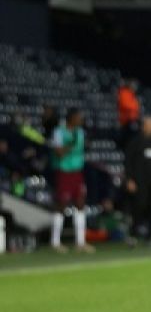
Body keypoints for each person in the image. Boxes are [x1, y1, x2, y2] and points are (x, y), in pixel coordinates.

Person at [50, 108, 92, 253]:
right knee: (61, 204)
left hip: (77, 172)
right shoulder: (59, 132)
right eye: (78, 117)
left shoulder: (80, 132)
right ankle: (55, 242)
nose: (81, 120)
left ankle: (80, 242)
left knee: (80, 203)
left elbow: (82, 149)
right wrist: (71, 144)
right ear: (71, 118)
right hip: (64, 171)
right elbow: (59, 152)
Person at [124, 116, 151, 245]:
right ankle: (133, 233)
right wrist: (129, 179)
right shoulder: (135, 142)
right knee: (138, 207)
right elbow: (128, 162)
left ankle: (150, 236)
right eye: (149, 125)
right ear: (143, 127)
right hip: (139, 182)